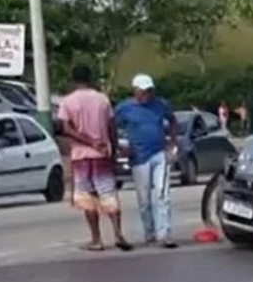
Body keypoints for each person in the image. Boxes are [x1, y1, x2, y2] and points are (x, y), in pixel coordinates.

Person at [57, 64, 132, 252]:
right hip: (102, 155)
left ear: (73, 80)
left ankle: (96, 239)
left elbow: (66, 129)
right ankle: (118, 233)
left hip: (81, 156)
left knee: (87, 198)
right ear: (90, 78)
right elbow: (111, 127)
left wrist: (89, 142)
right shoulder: (102, 99)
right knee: (109, 195)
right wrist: (113, 149)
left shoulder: (67, 102)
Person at [115, 74, 180, 248]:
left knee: (162, 194)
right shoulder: (124, 108)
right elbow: (111, 125)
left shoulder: (160, 105)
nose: (147, 95)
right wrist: (120, 147)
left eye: (149, 91)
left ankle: (164, 233)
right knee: (144, 199)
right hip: (139, 157)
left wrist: (172, 142)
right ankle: (149, 232)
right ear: (135, 90)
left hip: (159, 153)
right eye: (143, 91)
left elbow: (172, 120)